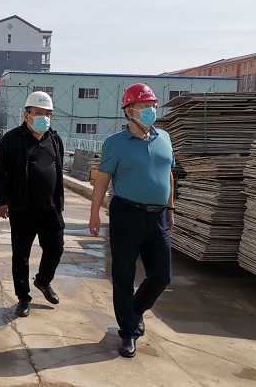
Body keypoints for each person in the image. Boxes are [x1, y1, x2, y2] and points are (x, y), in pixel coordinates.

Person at [88, 83, 175, 359]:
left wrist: (171, 208)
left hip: (158, 216)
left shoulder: (164, 138)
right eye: (144, 106)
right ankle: (128, 332)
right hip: (126, 215)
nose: (150, 110)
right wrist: (94, 213)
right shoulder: (115, 143)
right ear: (129, 111)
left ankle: (135, 310)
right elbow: (102, 179)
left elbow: (168, 173)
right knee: (123, 276)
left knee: (162, 275)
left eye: (152, 105)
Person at [0, 91, 65, 318]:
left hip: (50, 208)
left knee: (56, 247)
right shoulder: (12, 139)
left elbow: (59, 171)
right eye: (39, 113)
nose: (44, 118)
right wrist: (2, 201)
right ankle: (23, 297)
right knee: (21, 255)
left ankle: (43, 281)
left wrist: (60, 201)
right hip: (22, 208)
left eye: (48, 114)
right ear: (26, 115)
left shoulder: (55, 140)